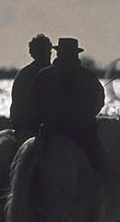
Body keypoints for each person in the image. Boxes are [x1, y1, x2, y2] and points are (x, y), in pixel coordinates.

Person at [32, 36, 107, 174]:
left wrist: (45, 119)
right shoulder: (88, 76)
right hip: (83, 132)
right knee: (100, 161)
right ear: (76, 54)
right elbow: (99, 101)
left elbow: (35, 103)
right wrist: (86, 117)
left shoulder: (44, 75)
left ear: (58, 53)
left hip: (50, 131)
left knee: (30, 163)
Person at [9, 33, 52, 134]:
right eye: (43, 52)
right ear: (35, 54)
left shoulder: (24, 73)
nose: (47, 55)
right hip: (28, 126)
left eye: (48, 51)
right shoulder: (26, 75)